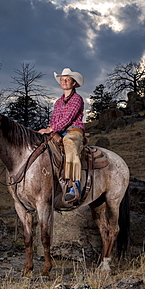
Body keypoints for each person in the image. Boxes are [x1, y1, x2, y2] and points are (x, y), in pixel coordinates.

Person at [39, 68, 84, 202]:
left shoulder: (77, 99)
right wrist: (48, 129)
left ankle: (75, 186)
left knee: (69, 143)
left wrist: (51, 129)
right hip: (58, 130)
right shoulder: (58, 102)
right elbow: (54, 119)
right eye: (62, 80)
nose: (64, 82)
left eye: (67, 79)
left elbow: (68, 118)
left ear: (73, 83)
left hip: (74, 130)